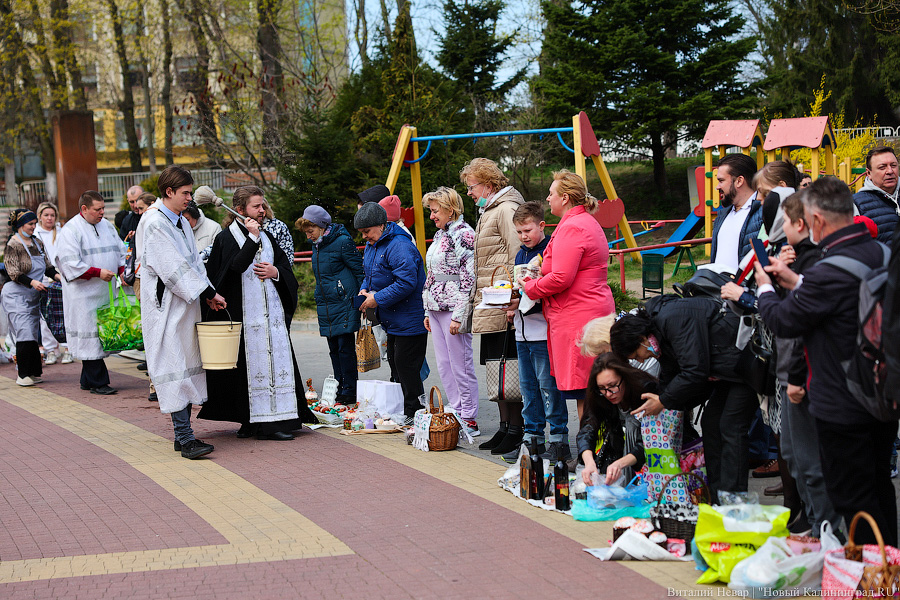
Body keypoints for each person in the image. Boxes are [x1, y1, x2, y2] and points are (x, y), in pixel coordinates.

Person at [756, 176, 897, 546]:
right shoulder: (881, 253)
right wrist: (798, 284)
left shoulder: (826, 269)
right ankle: (889, 565)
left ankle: (872, 579)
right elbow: (847, 305)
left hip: (841, 396)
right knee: (880, 484)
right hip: (882, 389)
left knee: (852, 495)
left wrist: (765, 288)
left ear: (816, 220)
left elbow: (784, 321)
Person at [609, 294, 750, 503]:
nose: (641, 359)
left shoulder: (673, 320)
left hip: (742, 365)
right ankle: (717, 495)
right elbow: (670, 371)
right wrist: (660, 399)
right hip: (725, 371)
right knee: (711, 423)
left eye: (637, 355)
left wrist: (663, 400)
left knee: (730, 427)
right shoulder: (659, 331)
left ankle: (734, 501)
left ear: (641, 339)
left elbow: (694, 371)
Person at [201, 186, 312, 439]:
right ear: (240, 210)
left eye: (263, 206)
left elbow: (284, 267)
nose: (262, 210)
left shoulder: (267, 235)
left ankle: (274, 420)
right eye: (256, 206)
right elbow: (234, 269)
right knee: (245, 371)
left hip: (271, 318)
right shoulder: (226, 238)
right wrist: (251, 239)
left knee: (274, 366)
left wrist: (276, 273)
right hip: (244, 318)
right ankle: (255, 422)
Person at [141, 166, 224, 458]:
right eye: (185, 193)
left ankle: (183, 434)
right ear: (169, 192)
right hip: (166, 308)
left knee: (187, 366)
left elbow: (195, 265)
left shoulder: (180, 222)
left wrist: (208, 294)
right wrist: (208, 292)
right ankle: (185, 438)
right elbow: (171, 267)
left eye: (190, 192)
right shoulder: (154, 222)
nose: (190, 198)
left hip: (186, 304)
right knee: (173, 368)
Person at [519, 170, 615, 424]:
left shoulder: (572, 227)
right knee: (593, 387)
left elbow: (562, 277)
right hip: (587, 310)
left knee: (588, 389)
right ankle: (593, 448)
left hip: (579, 315)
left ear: (564, 198)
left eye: (551, 194)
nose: (548, 199)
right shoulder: (582, 222)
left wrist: (531, 287)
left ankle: (592, 451)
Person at [459, 157, 525, 452]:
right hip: (490, 303)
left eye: (472, 186)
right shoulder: (490, 210)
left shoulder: (506, 209)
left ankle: (516, 429)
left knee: (508, 367)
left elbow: (517, 254)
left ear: (488, 184)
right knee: (495, 368)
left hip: (503, 304)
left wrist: (514, 299)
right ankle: (503, 427)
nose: (470, 193)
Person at [501, 202, 568, 461]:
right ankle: (532, 439)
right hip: (522, 331)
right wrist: (509, 301)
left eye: (527, 230)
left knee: (548, 387)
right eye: (518, 232)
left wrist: (525, 300)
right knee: (528, 388)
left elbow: (550, 288)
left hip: (542, 331)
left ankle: (558, 439)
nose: (523, 236)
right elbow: (521, 289)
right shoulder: (520, 254)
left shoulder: (550, 252)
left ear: (541, 225)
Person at [355, 201, 428, 419]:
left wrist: (377, 299)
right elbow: (368, 274)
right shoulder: (373, 245)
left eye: (367, 231)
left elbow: (406, 282)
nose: (364, 237)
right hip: (392, 317)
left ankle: (415, 411)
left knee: (406, 365)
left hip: (409, 317)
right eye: (361, 233)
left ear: (381, 224)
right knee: (397, 363)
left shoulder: (399, 245)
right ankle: (404, 409)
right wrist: (364, 290)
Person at [55, 190, 126, 395]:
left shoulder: (106, 226)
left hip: (105, 292)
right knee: (90, 338)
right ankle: (98, 382)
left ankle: (87, 380)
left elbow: (119, 250)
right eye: (98, 209)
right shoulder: (71, 230)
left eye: (103, 208)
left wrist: (122, 270)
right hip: (83, 295)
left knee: (98, 338)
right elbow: (69, 264)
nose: (102, 212)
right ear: (84, 209)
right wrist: (97, 272)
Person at [421, 187, 479, 431]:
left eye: (435, 211)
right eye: (431, 211)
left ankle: (469, 415)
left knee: (460, 364)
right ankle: (456, 409)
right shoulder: (439, 236)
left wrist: (460, 314)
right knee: (444, 364)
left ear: (450, 209)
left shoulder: (464, 234)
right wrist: (427, 310)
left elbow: (469, 276)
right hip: (435, 308)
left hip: (453, 307)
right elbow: (432, 274)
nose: (432, 216)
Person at [297, 204, 364, 406]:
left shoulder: (342, 242)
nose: (309, 236)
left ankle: (350, 389)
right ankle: (339, 386)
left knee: (345, 348)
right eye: (307, 233)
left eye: (311, 231)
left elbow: (359, 270)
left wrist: (362, 299)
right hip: (326, 304)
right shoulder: (317, 245)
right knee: (333, 348)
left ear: (322, 226)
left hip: (344, 302)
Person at [578, 353, 656, 486]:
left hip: (655, 459)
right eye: (602, 389)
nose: (608, 394)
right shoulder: (599, 397)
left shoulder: (645, 390)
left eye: (613, 386)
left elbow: (650, 440)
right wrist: (589, 462)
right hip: (621, 450)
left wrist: (620, 463)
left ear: (624, 378)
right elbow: (588, 428)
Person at [2, 209, 60, 386]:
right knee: (24, 332)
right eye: (30, 224)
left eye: (35, 224)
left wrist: (60, 278)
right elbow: (13, 273)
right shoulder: (13, 244)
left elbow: (48, 267)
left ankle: (34, 372)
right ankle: (22, 375)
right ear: (19, 226)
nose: (34, 227)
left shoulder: (37, 242)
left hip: (33, 294)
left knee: (32, 333)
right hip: (16, 295)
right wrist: (33, 282)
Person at [34, 201, 72, 365]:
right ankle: (50, 350)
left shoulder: (62, 232)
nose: (49, 218)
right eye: (46, 215)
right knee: (46, 316)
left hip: (61, 277)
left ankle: (67, 348)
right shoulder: (35, 234)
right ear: (40, 217)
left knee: (64, 314)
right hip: (43, 279)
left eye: (52, 215)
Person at [711, 153, 763, 271]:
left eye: (721, 181)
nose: (717, 187)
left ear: (739, 181)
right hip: (719, 288)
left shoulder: (762, 213)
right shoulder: (722, 215)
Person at [853, 146, 899, 245]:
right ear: (868, 173)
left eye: (893, 165)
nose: (890, 171)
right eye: (882, 167)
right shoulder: (856, 204)